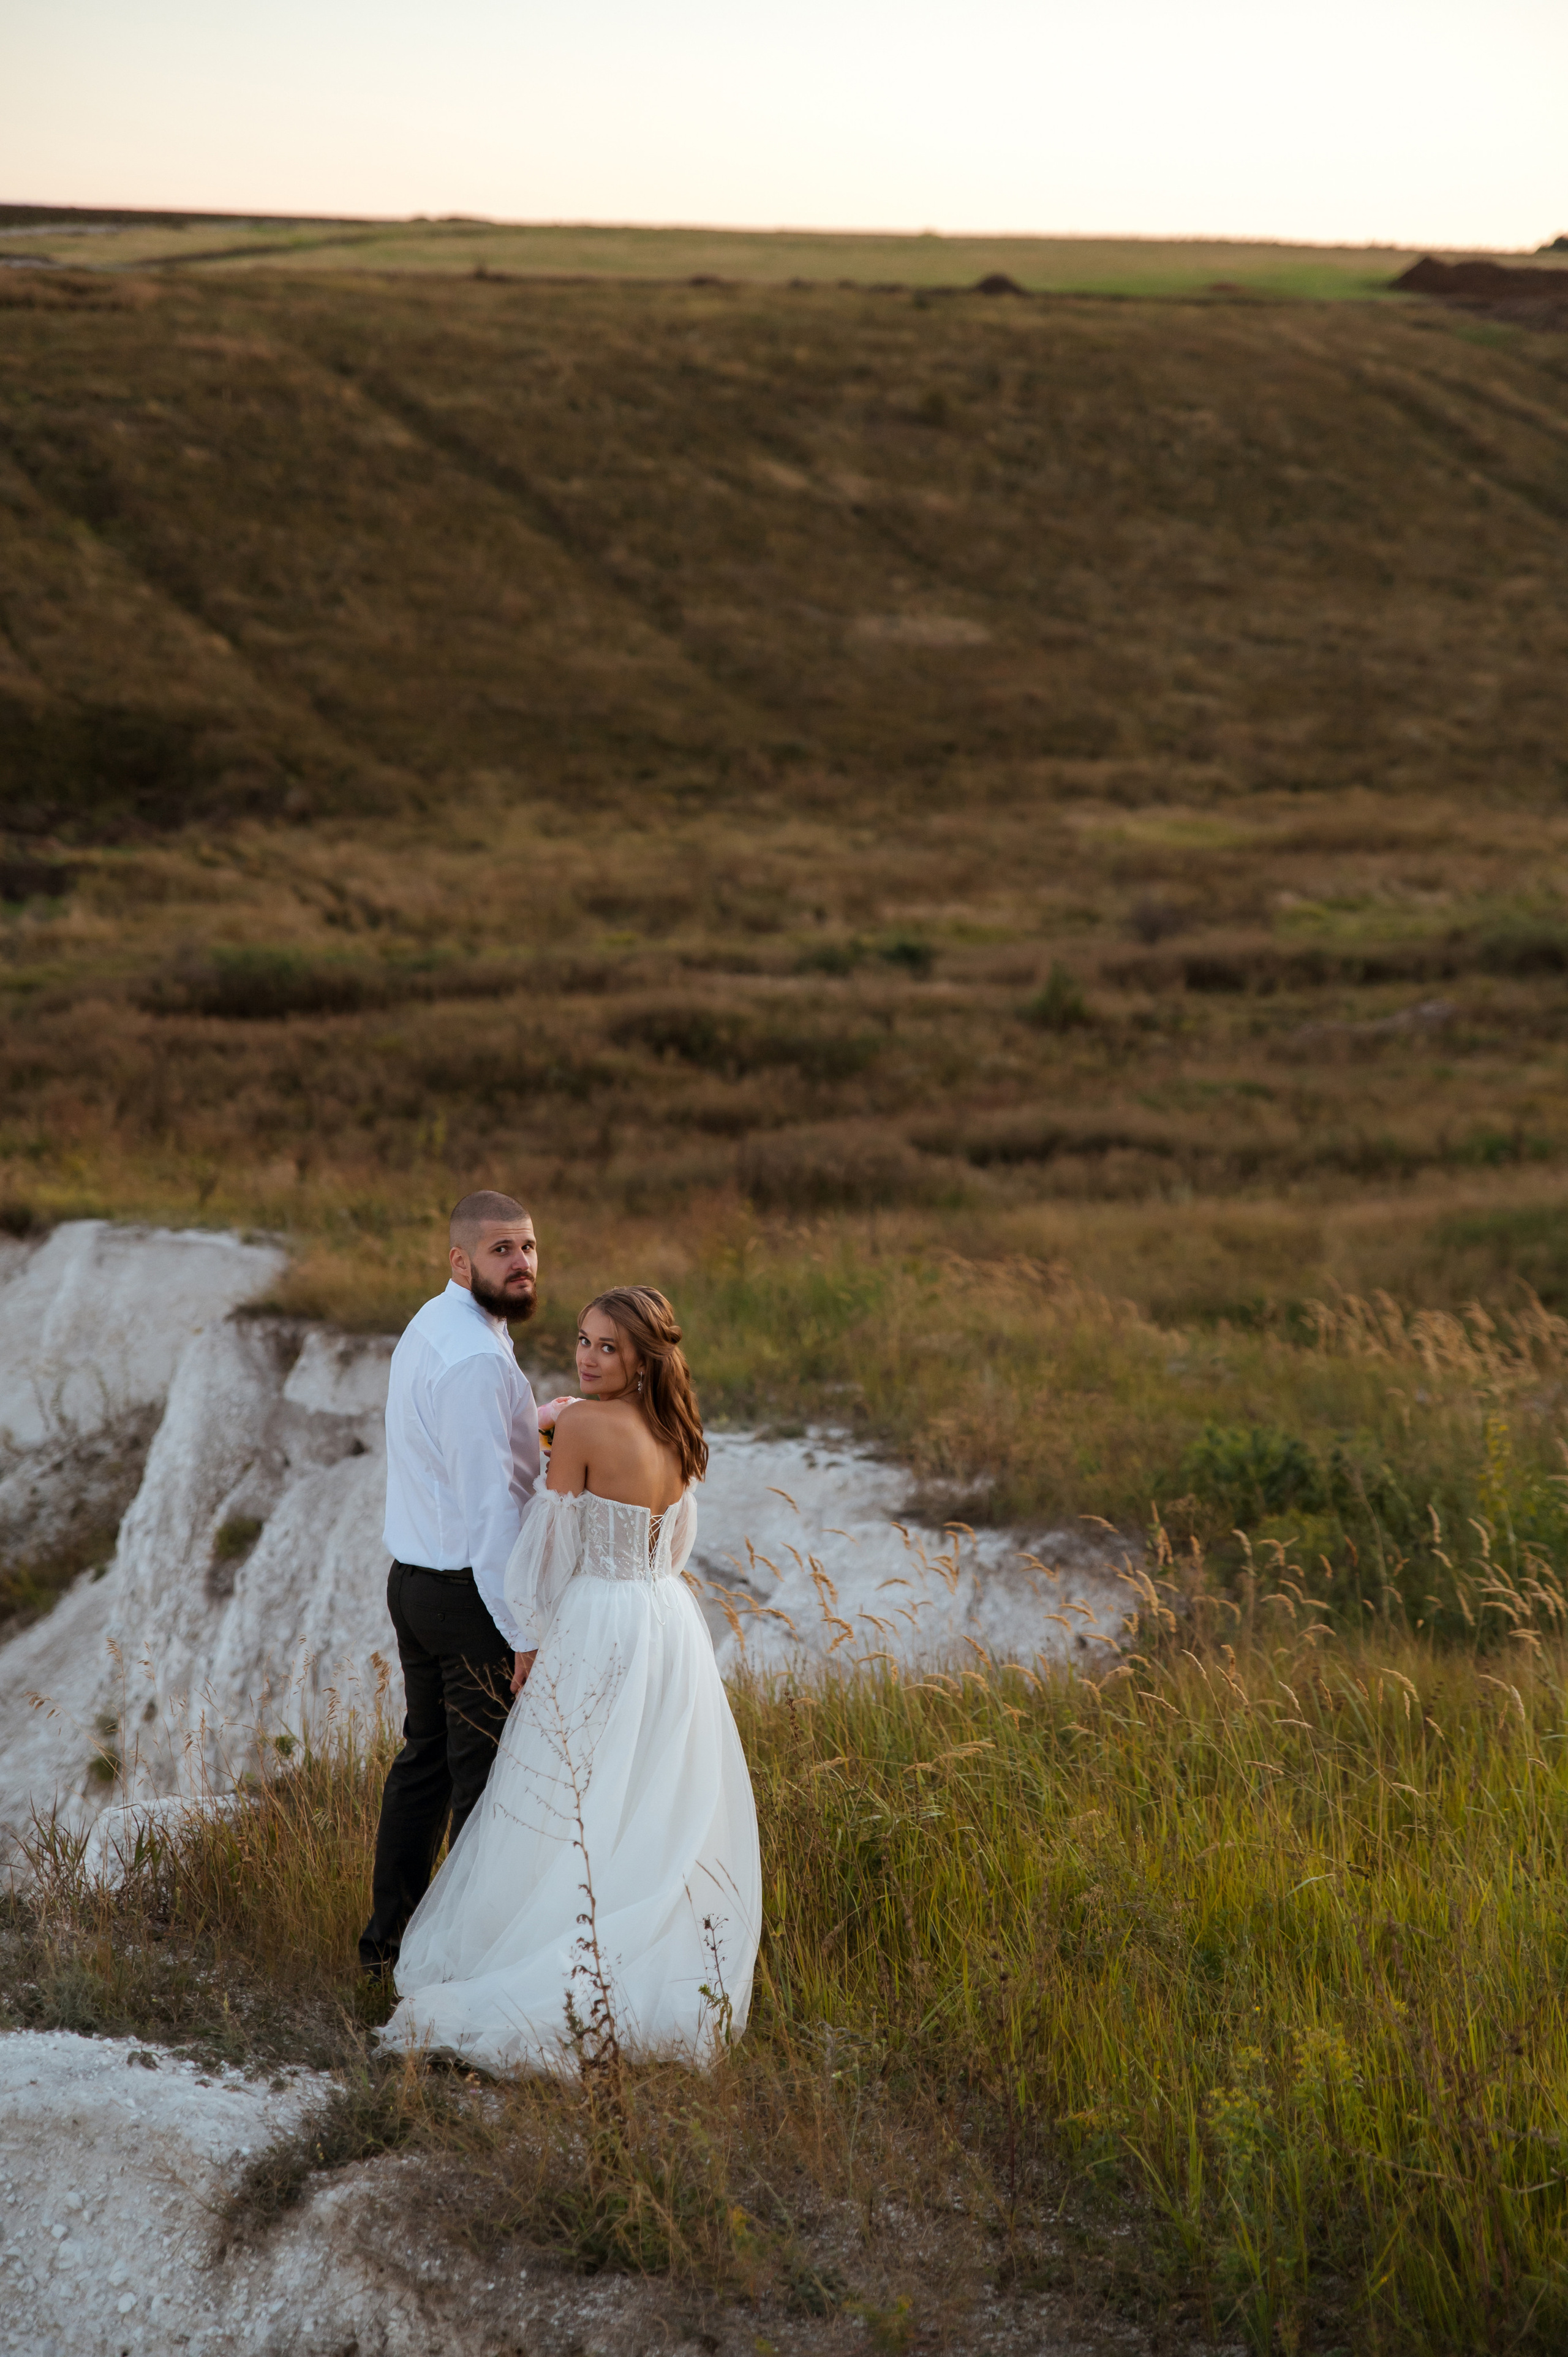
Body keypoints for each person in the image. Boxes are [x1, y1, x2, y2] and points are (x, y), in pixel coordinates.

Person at [378, 1287, 761, 2075]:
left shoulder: (583, 1425)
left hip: (599, 1618)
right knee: (644, 1793)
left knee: (567, 1790)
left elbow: (544, 1548)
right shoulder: (679, 1430)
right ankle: (643, 1943)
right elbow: (676, 1545)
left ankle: (537, 1949)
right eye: (584, 1340)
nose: (587, 1357)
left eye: (607, 1347)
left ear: (642, 1358)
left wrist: (527, 1634)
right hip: (668, 1623)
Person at [358, 1190, 546, 1977]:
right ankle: (462, 1970)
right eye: (502, 1250)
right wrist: (521, 1630)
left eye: (528, 1247)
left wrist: (536, 1418)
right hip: (468, 1594)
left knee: (425, 1764)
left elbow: (463, 1452)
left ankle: (387, 1948)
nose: (522, 1263)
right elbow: (489, 1511)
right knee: (482, 1784)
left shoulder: (438, 1324)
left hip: (417, 1583)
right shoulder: (474, 1359)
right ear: (460, 1260)